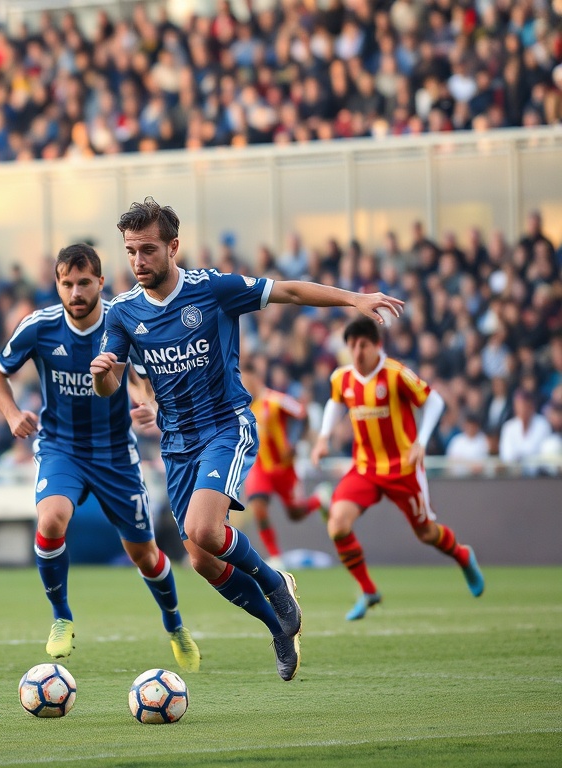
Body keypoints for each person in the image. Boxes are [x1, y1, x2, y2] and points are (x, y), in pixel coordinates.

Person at [90, 197, 404, 681]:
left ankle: (276, 582)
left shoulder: (212, 289)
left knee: (204, 531)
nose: (138, 261)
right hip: (176, 444)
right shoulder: (122, 313)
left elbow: (290, 293)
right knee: (199, 558)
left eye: (148, 250)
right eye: (131, 251)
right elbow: (112, 383)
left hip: (225, 426)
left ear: (174, 247)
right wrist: (103, 375)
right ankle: (278, 626)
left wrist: (353, 300)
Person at [0, 242, 201, 673]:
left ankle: (175, 624)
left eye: (84, 282)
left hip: (115, 455)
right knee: (50, 520)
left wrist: (147, 403)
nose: (76, 292)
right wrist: (11, 414)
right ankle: (61, 617)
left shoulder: (122, 322)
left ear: (101, 283)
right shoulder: (38, 327)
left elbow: (144, 376)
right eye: (67, 284)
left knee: (145, 554)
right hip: (60, 447)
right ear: (58, 285)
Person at [310, 317, 485, 621]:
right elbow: (336, 403)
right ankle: (368, 590)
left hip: (403, 468)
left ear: (377, 345)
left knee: (427, 534)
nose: (357, 351)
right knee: (337, 524)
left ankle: (463, 555)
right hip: (365, 468)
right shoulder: (342, 378)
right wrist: (324, 437)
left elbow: (434, 402)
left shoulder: (395, 374)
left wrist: (421, 441)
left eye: (363, 344)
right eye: (352, 345)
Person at [240, 357, 331, 568]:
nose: (243, 385)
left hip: (284, 468)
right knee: (258, 506)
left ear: (255, 378)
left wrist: (294, 442)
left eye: (245, 379)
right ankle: (275, 557)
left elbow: (302, 413)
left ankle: (320, 499)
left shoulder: (276, 400)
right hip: (261, 468)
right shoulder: (245, 408)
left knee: (295, 513)